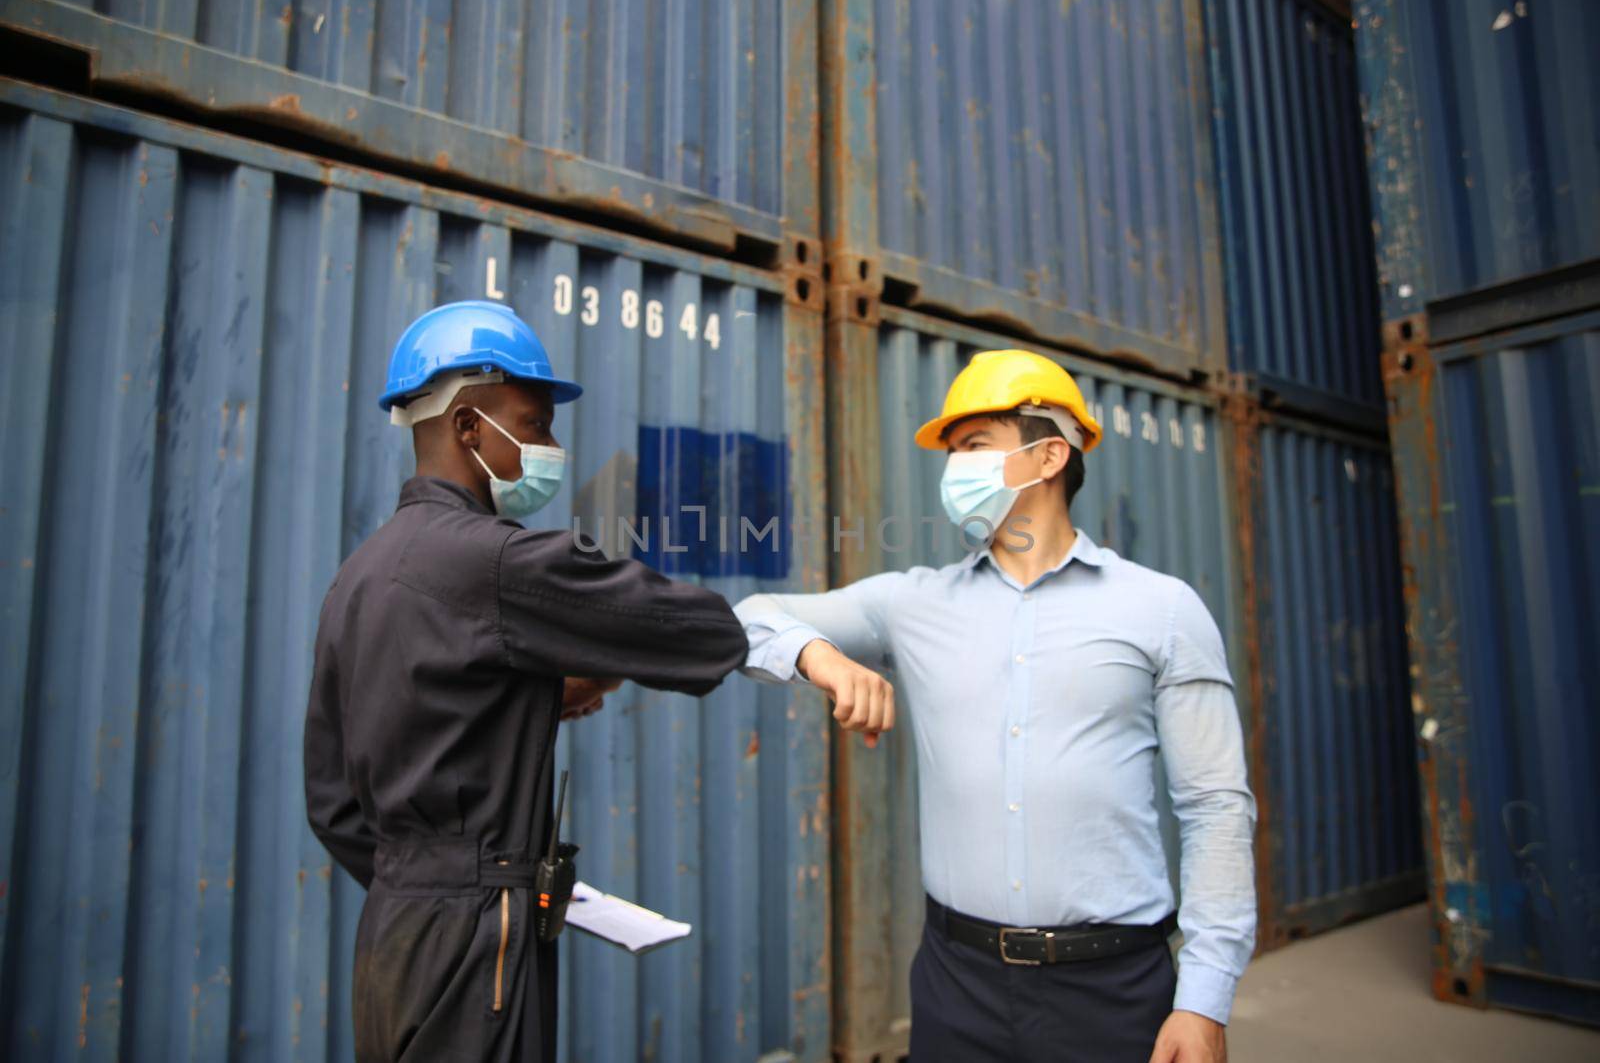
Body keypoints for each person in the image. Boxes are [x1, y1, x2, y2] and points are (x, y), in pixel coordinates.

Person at [734, 349, 1256, 1063]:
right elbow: (748, 618)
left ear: (1048, 456)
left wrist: (1204, 998)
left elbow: (1216, 808)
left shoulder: (1163, 610)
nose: (954, 471)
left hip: (1114, 988)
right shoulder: (911, 602)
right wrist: (818, 656)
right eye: (951, 453)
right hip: (957, 987)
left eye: (974, 447)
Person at [303, 300, 747, 1063]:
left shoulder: (358, 576)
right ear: (469, 427)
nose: (551, 446)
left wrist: (535, 697)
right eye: (535, 423)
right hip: (480, 939)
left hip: (391, 936)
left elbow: (333, 801)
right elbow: (699, 632)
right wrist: (472, 884)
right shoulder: (497, 559)